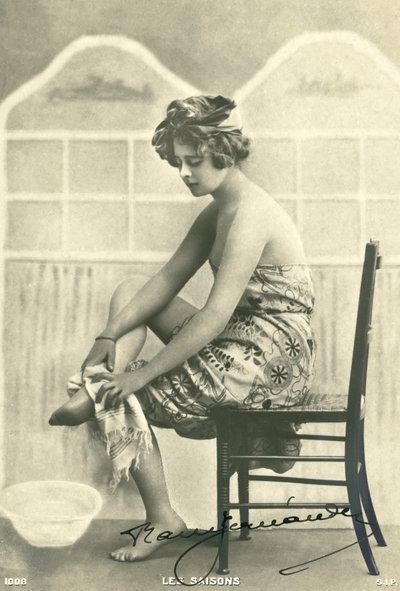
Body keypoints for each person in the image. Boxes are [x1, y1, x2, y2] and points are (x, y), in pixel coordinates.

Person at [49, 95, 317, 562]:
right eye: (178, 162)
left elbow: (213, 317)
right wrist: (107, 336)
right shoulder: (219, 210)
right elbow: (166, 280)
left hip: (270, 358)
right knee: (131, 290)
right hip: (243, 338)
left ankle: (162, 516)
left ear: (224, 153)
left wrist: (140, 376)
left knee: (125, 395)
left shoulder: (252, 214)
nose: (184, 172)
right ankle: (99, 383)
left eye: (194, 161)